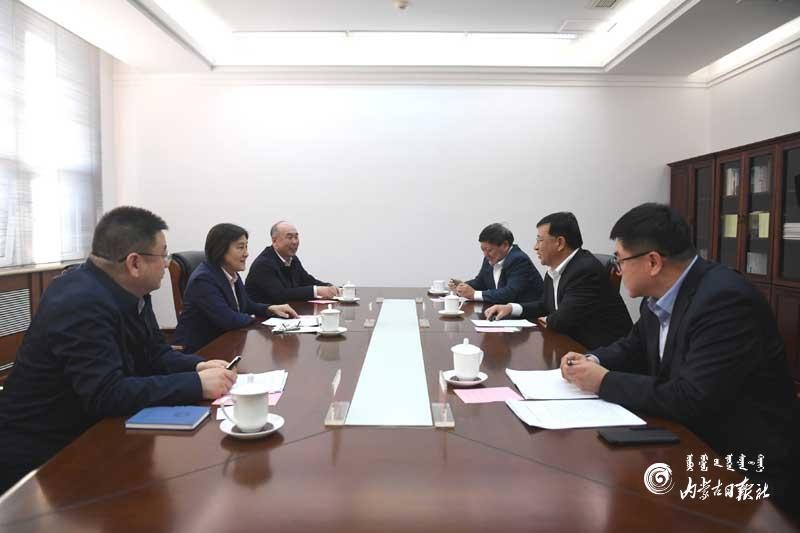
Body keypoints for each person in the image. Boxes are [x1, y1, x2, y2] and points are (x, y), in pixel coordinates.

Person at [560, 203, 799, 512]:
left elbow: (691, 397)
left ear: (653, 262)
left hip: (741, 462)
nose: (617, 270)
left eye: (620, 260)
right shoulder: (657, 297)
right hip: (690, 437)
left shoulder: (724, 301)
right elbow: (633, 347)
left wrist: (603, 382)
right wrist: (591, 360)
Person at [0, 206, 237, 494]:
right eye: (163, 255)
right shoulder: (79, 302)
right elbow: (106, 394)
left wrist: (196, 366)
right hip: (46, 453)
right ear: (134, 263)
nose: (167, 264)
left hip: (95, 430)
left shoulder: (135, 291)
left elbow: (154, 352)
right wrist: (195, 384)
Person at [484, 212, 631, 349]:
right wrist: (510, 308)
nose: (535, 247)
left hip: (600, 353)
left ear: (560, 243)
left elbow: (562, 319)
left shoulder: (585, 270)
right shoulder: (554, 271)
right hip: (570, 347)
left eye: (539, 240)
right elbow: (544, 306)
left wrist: (549, 320)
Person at [173, 223, 298, 352]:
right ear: (221, 250)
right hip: (201, 351)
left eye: (246, 247)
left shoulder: (230, 273)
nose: (246, 253)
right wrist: (256, 320)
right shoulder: (203, 280)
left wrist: (270, 309)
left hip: (226, 343)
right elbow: (229, 319)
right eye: (240, 247)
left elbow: (246, 304)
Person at [245, 221, 338, 304]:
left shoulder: (292, 259)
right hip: (262, 315)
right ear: (274, 241)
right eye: (289, 237)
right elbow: (280, 294)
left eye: (296, 237)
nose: (294, 242)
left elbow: (307, 280)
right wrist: (316, 291)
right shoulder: (263, 264)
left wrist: (329, 287)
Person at [449, 223, 543, 304]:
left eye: (489, 250)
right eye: (483, 250)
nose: (485, 254)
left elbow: (510, 293)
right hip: (502, 313)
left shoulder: (519, 259)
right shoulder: (489, 258)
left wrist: (474, 294)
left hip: (528, 316)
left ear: (505, 245)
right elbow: (481, 282)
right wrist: (462, 286)